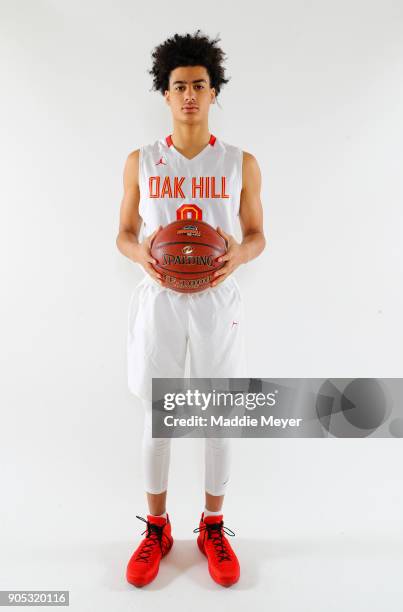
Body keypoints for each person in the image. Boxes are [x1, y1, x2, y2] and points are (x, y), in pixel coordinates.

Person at [116, 30, 265, 588]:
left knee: (217, 417)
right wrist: (142, 258)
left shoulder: (239, 162)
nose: (189, 96)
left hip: (215, 297)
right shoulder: (141, 161)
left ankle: (213, 526)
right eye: (179, 86)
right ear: (164, 92)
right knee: (160, 419)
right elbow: (125, 234)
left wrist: (234, 260)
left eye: (200, 85)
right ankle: (156, 527)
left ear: (213, 90)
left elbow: (257, 236)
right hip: (160, 298)